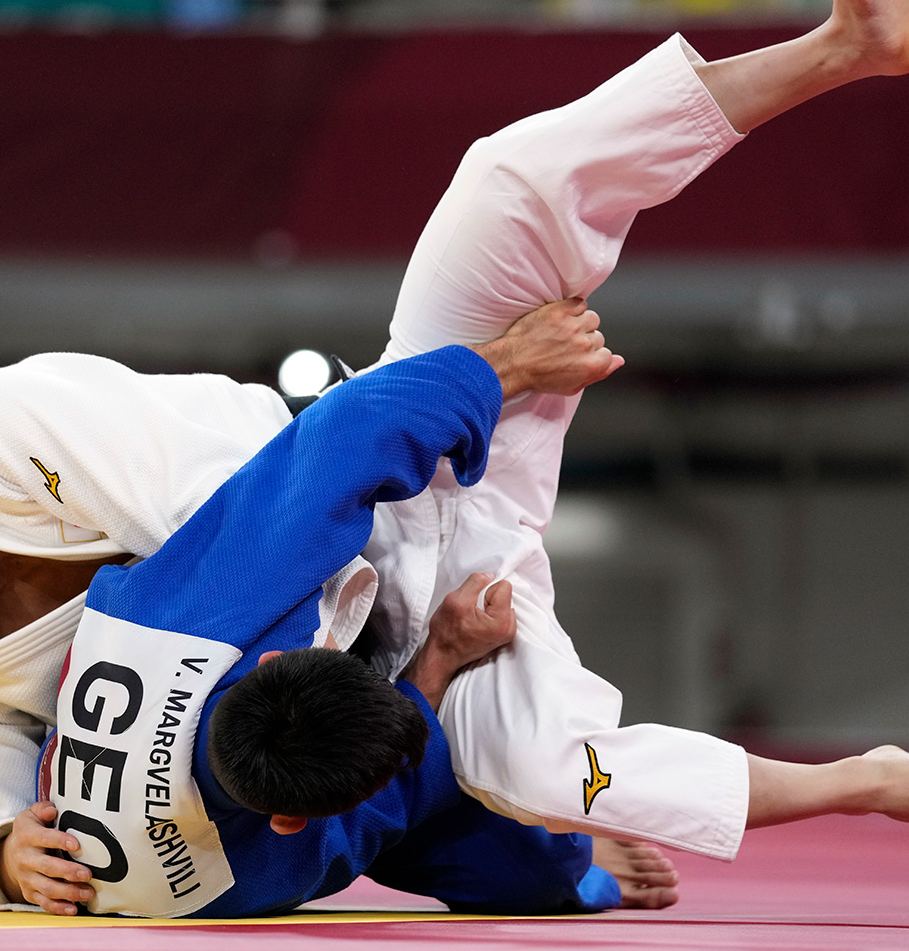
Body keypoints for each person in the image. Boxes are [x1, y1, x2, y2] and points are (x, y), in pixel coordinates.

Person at [0, 0, 909, 915]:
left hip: (384, 460)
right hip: (366, 647)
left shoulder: (5, 430)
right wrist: (7, 854)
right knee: (536, 771)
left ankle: (842, 50)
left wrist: (491, 372)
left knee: (501, 176)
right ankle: (865, 779)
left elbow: (272, 489)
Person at [42, 346, 627, 917]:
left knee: (326, 467)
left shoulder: (203, 601)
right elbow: (393, 801)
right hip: (243, 745)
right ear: (291, 822)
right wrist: (438, 659)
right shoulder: (253, 878)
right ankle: (582, 869)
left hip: (218, 478)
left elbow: (346, 436)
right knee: (534, 873)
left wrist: (510, 362)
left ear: (269, 660)